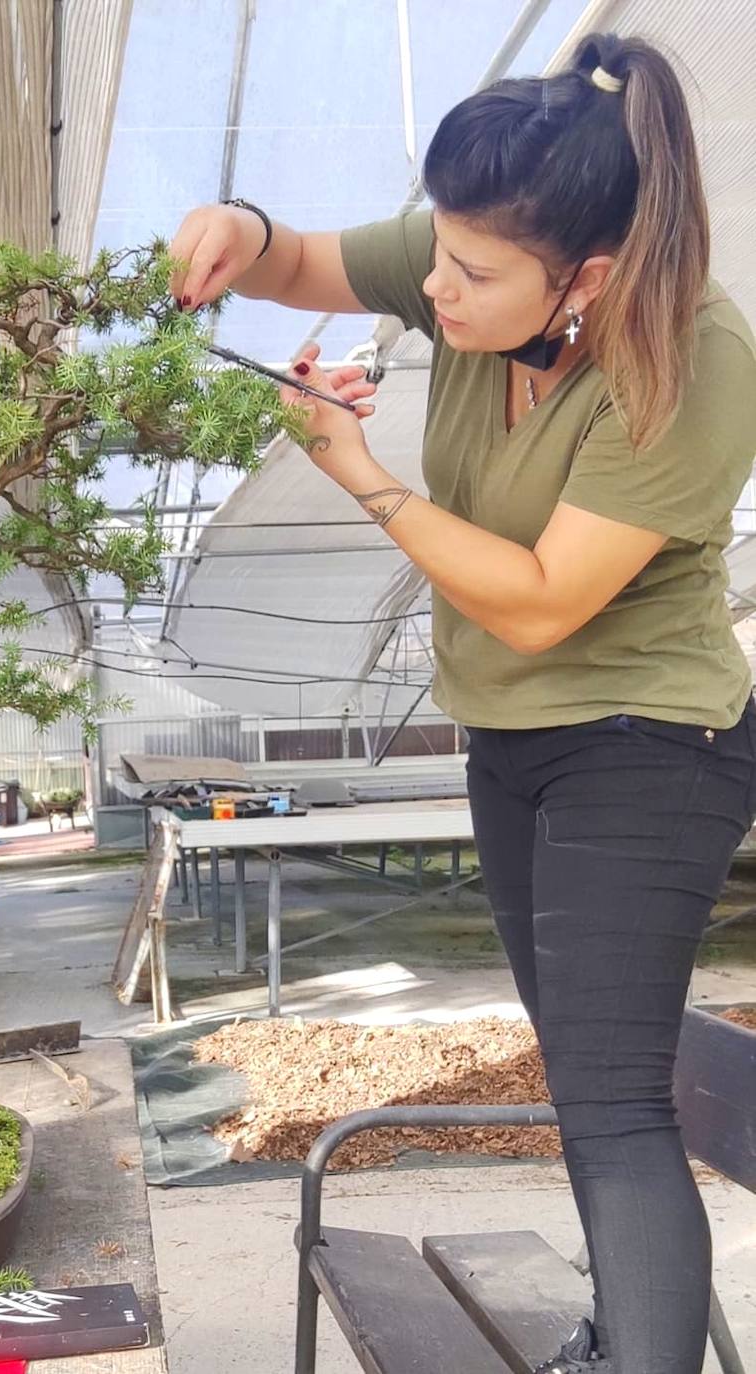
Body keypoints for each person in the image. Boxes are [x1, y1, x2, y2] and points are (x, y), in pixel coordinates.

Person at [168, 31, 756, 1374]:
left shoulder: (692, 356)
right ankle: (625, 1330)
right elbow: (304, 259)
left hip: (647, 746)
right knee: (582, 1075)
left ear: (588, 276)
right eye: (434, 250)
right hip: (515, 741)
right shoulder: (482, 252)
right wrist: (236, 229)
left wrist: (361, 473)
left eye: (468, 274)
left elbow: (544, 601)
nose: (430, 288)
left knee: (611, 1106)